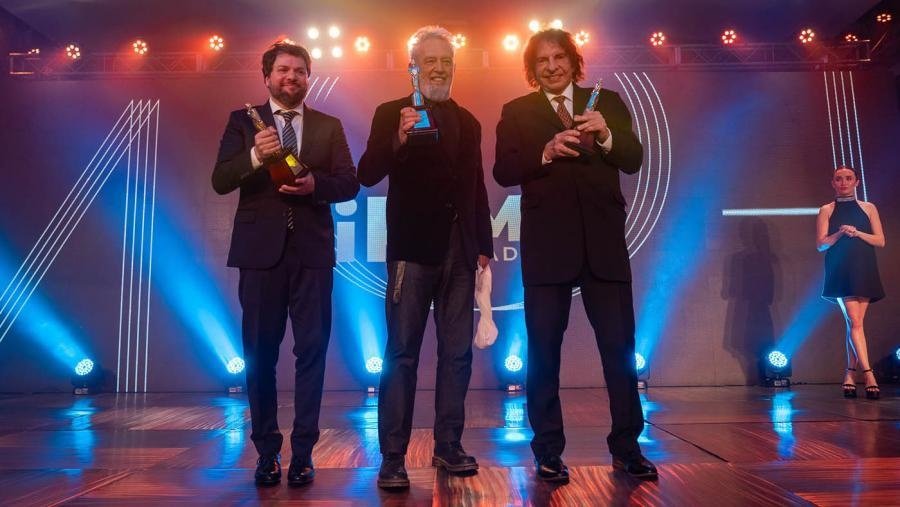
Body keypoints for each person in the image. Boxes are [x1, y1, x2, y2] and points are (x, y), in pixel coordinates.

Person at [493, 29, 657, 482]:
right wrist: (544, 153)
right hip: (548, 248)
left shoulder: (607, 103)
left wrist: (606, 135)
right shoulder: (517, 110)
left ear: (573, 61)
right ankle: (547, 451)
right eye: (541, 60)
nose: (551, 66)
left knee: (620, 351)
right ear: (532, 69)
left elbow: (633, 158)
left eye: (559, 57)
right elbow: (503, 170)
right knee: (544, 353)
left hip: (604, 246)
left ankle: (627, 448)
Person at [211, 42, 359, 486]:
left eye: (299, 70)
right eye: (282, 70)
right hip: (260, 255)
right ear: (267, 76)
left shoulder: (328, 125)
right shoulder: (243, 122)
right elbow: (220, 180)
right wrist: (256, 155)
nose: (291, 77)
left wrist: (316, 185)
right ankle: (266, 452)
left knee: (311, 352)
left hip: (312, 254)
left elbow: (349, 183)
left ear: (308, 77)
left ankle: (304, 452)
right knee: (260, 354)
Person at [357, 25, 493, 490]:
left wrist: (483, 247)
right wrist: (397, 138)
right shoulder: (390, 112)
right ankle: (393, 456)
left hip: (461, 253)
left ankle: (448, 445)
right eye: (430, 61)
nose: (439, 69)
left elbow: (476, 187)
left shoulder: (469, 121)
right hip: (411, 252)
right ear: (413, 67)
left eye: (446, 62)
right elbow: (367, 172)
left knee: (457, 355)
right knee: (401, 354)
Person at [816, 165, 885, 400]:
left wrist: (857, 233)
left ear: (857, 182)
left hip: (864, 268)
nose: (843, 182)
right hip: (840, 269)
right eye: (839, 179)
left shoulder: (869, 208)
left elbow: (880, 240)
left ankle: (849, 374)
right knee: (855, 322)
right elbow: (821, 244)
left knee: (855, 325)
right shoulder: (827, 209)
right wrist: (840, 233)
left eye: (848, 178)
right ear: (833, 183)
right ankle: (869, 375)